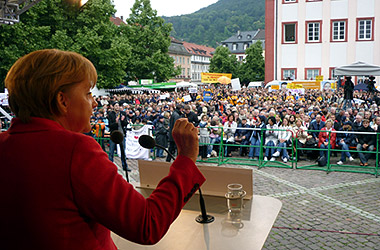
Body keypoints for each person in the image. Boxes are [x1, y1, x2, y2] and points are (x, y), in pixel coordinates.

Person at [0, 49, 205, 250]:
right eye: (88, 93)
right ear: (62, 101)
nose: (95, 102)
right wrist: (186, 160)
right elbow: (147, 224)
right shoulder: (76, 150)